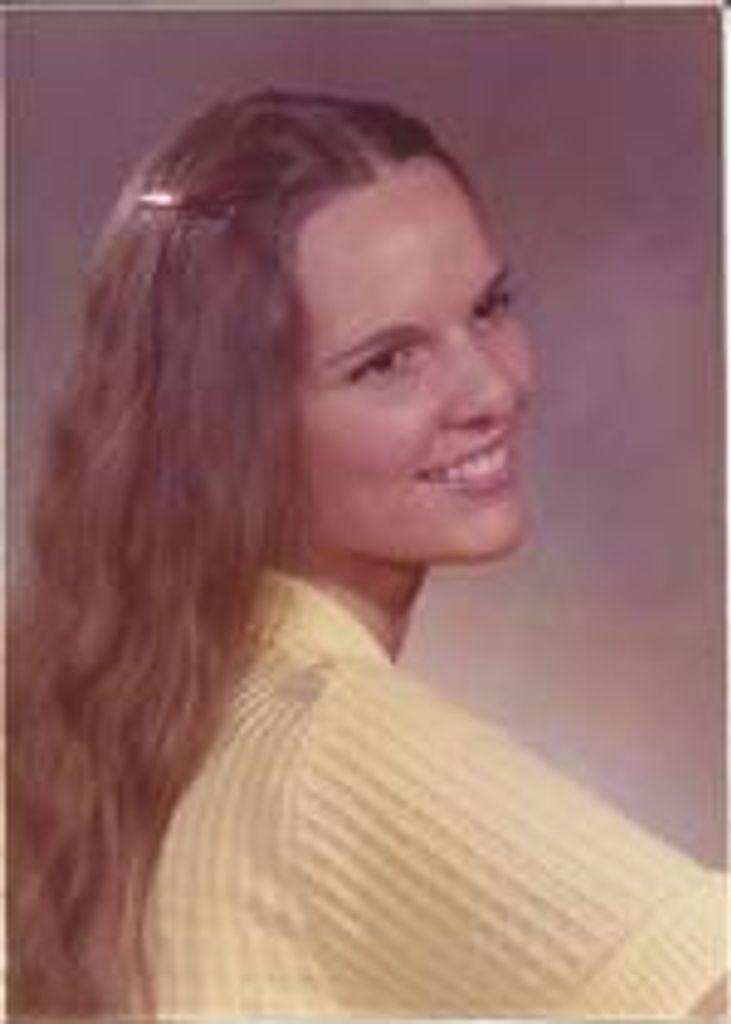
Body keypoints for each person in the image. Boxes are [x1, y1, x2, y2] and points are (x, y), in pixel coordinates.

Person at [8, 90, 726, 1020]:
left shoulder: (105, 719)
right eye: (387, 362)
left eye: (488, 308)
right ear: (227, 431)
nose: (492, 388)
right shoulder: (327, 746)